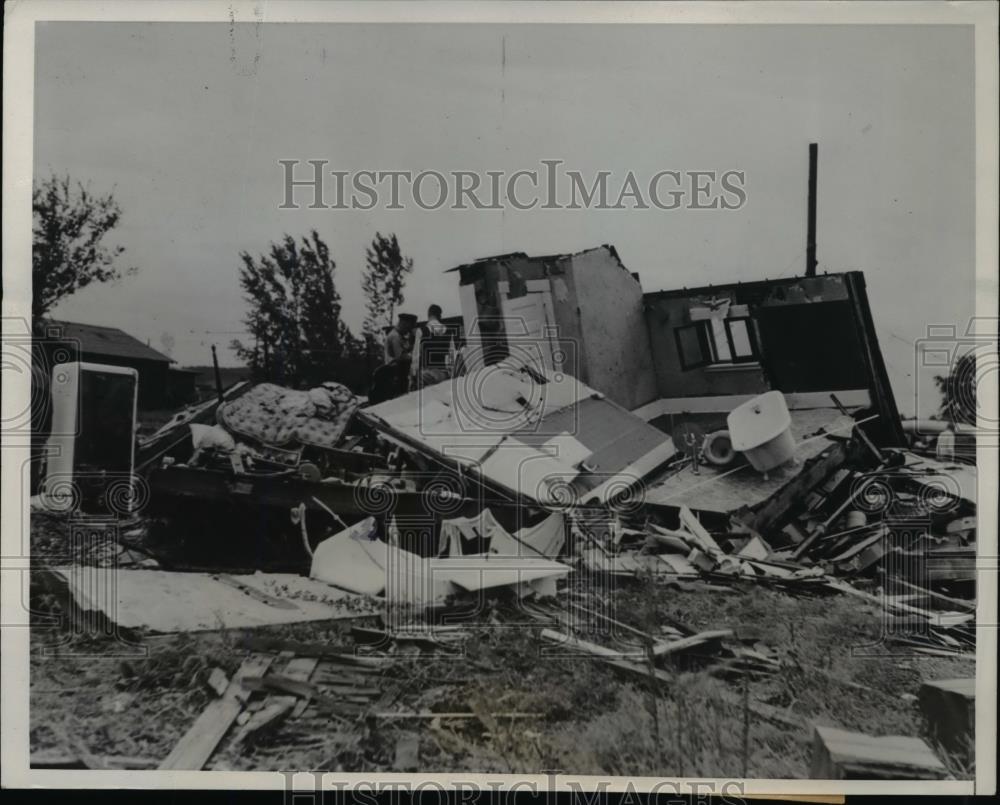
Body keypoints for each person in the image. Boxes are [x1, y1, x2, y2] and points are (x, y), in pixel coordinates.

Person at [410, 304, 454, 389]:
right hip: (442, 374)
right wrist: (450, 373)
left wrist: (414, 375)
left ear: (428, 315)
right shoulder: (448, 331)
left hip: (426, 375)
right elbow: (451, 355)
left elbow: (416, 356)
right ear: (439, 316)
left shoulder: (421, 331)